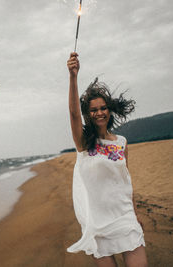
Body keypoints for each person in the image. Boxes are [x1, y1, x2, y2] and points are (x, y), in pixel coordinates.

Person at [66, 52, 148, 267]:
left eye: (103, 108)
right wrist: (73, 77)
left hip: (125, 218)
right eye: (93, 110)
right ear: (88, 114)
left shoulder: (121, 142)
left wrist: (135, 213)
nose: (99, 113)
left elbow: (125, 182)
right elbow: (73, 114)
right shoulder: (84, 143)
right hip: (98, 224)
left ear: (109, 111)